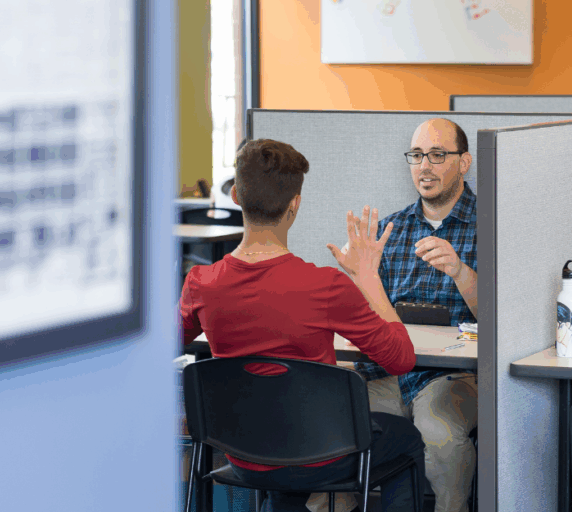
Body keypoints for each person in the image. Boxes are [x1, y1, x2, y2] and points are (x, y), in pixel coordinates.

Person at [179, 139, 425, 512]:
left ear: (237, 198)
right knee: (406, 437)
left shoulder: (201, 282)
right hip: (319, 455)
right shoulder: (326, 285)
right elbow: (401, 359)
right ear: (295, 204)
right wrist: (368, 278)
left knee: (281, 437)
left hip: (241, 454)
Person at [327, 118, 479, 512]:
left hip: (456, 375)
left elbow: (505, 319)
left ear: (464, 163)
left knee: (439, 433)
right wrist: (358, 276)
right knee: (334, 426)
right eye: (416, 155)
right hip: (388, 372)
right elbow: (365, 317)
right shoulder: (391, 229)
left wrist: (461, 272)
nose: (424, 166)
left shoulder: (492, 225)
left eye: (437, 155)